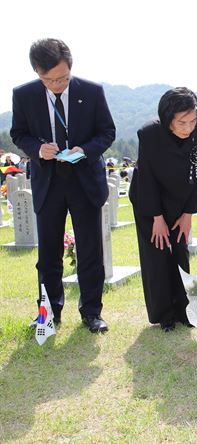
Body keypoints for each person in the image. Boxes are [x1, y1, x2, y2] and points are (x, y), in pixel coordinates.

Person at [11, 38, 115, 333]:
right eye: (50, 80)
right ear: (37, 73)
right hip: (48, 182)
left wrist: (84, 150)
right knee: (48, 254)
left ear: (70, 68)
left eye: (63, 78)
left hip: (84, 182)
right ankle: (48, 313)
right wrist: (37, 148)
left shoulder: (92, 91)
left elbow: (107, 132)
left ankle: (92, 312)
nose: (57, 84)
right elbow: (19, 133)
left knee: (90, 251)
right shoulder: (24, 95)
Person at [129, 87, 197, 332]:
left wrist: (188, 214)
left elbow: (196, 177)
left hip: (181, 202)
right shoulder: (150, 134)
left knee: (179, 251)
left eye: (193, 121)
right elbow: (147, 178)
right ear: (167, 119)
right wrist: (157, 217)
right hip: (149, 202)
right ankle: (163, 313)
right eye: (181, 122)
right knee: (157, 253)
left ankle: (184, 310)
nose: (188, 128)